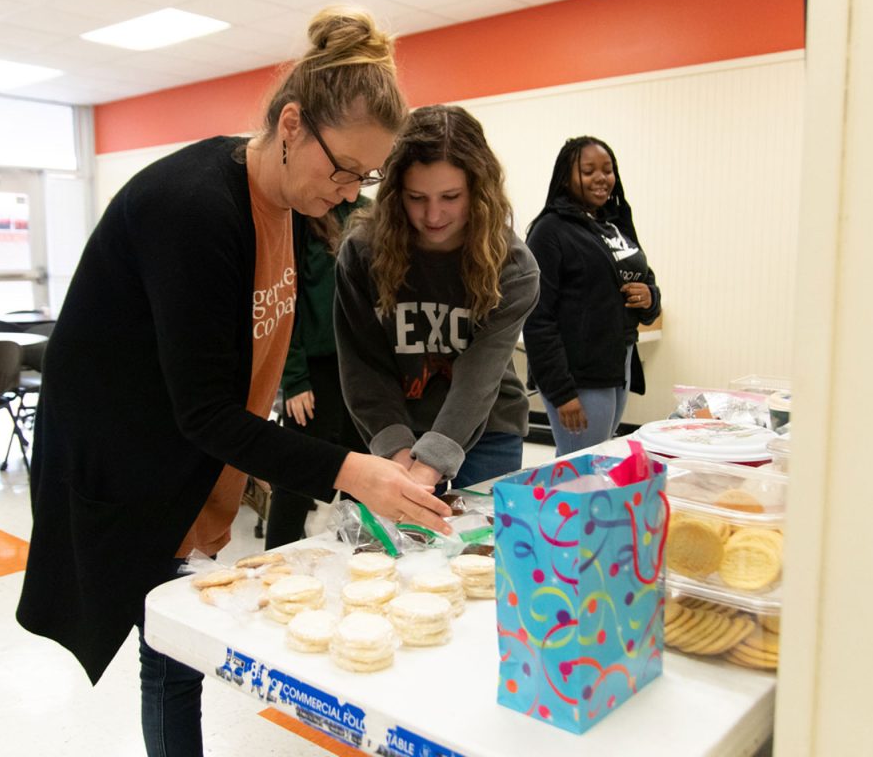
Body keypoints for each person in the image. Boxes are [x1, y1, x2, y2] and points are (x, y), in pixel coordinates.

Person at [15, 7, 452, 757]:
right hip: (135, 458)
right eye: (342, 169)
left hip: (195, 455)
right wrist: (351, 472)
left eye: (366, 176)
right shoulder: (195, 210)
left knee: (182, 647)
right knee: (171, 651)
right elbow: (203, 409)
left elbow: (251, 354)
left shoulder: (284, 198)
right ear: (290, 125)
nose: (350, 193)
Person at [334, 105, 540, 491]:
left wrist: (428, 469)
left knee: (476, 547)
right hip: (393, 427)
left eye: (450, 196)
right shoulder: (362, 253)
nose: (433, 215)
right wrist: (399, 457)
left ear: (478, 190)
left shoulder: (512, 265)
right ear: (395, 193)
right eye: (416, 198)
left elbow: (478, 378)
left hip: (487, 429)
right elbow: (363, 367)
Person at [522, 136, 662, 456]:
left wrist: (650, 297)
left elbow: (646, 279)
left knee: (594, 460)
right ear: (566, 177)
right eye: (588, 171)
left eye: (608, 169)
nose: (601, 178)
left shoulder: (615, 223)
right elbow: (537, 317)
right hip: (579, 373)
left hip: (618, 361)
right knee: (580, 466)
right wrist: (561, 393)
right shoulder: (550, 230)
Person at [264, 198, 369, 550]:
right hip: (313, 372)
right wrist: (294, 377)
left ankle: (358, 560)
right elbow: (286, 300)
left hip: (362, 369)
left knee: (364, 477)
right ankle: (275, 564)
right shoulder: (301, 218)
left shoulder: (368, 212)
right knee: (296, 480)